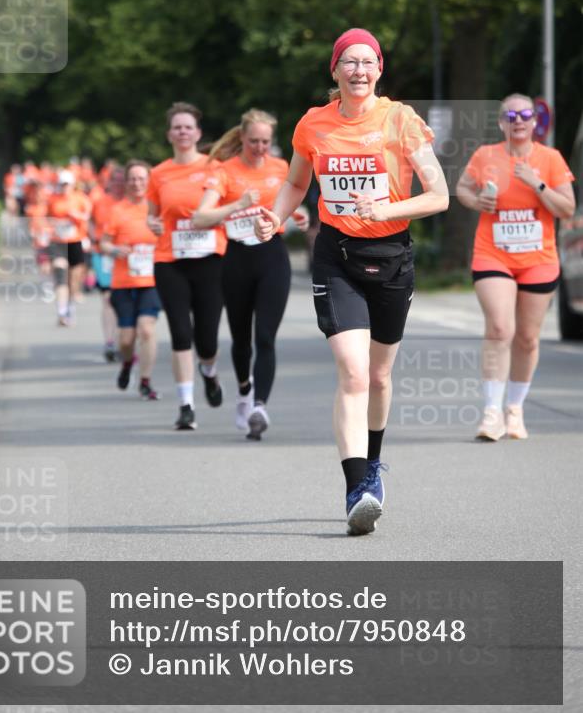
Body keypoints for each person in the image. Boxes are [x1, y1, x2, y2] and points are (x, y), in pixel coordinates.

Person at [254, 28, 449, 535]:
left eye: (367, 62)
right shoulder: (313, 125)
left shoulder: (400, 120)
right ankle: (356, 487)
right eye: (349, 62)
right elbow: (297, 182)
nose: (358, 70)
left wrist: (387, 207)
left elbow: (439, 196)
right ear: (334, 70)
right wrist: (275, 218)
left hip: (391, 257)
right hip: (336, 256)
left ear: (379, 70)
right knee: (354, 372)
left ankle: (373, 465)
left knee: (380, 377)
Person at [456, 93, 575, 441]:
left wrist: (536, 183)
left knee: (526, 337)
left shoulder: (550, 159)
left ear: (535, 122)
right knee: (499, 328)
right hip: (493, 254)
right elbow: (463, 188)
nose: (518, 120)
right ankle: (492, 412)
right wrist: (479, 200)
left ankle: (515, 410)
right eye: (511, 116)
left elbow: (567, 209)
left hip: (539, 259)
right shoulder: (486, 156)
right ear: (501, 122)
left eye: (525, 115)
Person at [193, 109, 309, 439]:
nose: (260, 147)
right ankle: (244, 390)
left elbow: (294, 202)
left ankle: (260, 406)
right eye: (254, 141)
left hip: (272, 256)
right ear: (242, 138)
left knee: (266, 337)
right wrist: (237, 204)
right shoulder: (223, 171)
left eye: (266, 142)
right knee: (241, 339)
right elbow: (201, 216)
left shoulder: (281, 167)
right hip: (236, 259)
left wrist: (298, 216)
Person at [147, 102, 227, 431]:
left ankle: (208, 372)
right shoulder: (159, 173)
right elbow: (152, 215)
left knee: (206, 340)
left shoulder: (215, 168)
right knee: (181, 333)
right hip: (170, 260)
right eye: (177, 127)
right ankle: (186, 405)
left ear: (198, 133)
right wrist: (151, 225)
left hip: (210, 259)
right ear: (169, 134)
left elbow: (225, 208)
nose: (182, 132)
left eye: (188, 127)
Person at [101, 160, 162, 397]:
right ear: (125, 183)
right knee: (126, 340)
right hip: (124, 281)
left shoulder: (158, 208)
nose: (137, 183)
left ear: (149, 182)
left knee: (146, 330)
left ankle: (145, 381)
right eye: (132, 179)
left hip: (152, 281)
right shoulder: (117, 210)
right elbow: (104, 242)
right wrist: (115, 250)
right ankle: (127, 363)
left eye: (141, 179)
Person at [47, 170, 91, 326]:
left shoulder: (81, 199)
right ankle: (61, 311)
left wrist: (76, 216)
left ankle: (70, 307)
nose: (64, 187)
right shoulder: (52, 199)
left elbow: (87, 216)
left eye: (67, 184)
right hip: (58, 241)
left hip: (75, 241)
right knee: (60, 272)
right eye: (62, 184)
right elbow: (46, 218)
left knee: (73, 279)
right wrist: (53, 224)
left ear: (72, 185)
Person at [90, 167, 126, 361]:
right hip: (103, 254)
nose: (119, 185)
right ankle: (110, 342)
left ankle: (124, 340)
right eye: (116, 181)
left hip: (129, 255)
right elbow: (90, 221)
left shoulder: (133, 203)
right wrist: (91, 238)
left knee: (126, 299)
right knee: (108, 298)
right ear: (109, 183)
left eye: (123, 181)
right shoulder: (100, 202)